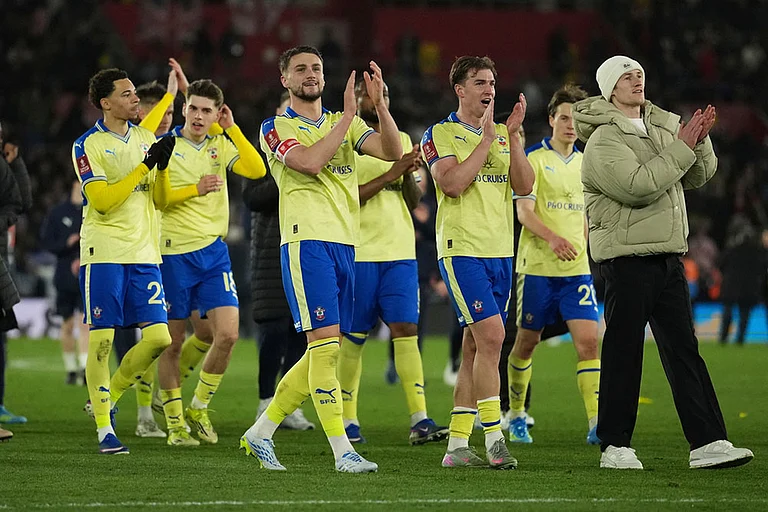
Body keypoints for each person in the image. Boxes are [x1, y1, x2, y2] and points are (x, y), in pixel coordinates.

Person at [573, 55, 753, 469]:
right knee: (624, 352)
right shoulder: (603, 140)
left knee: (685, 351)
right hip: (626, 260)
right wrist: (682, 145)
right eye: (627, 76)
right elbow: (638, 187)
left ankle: (707, 441)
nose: (637, 79)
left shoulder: (657, 128)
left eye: (640, 73)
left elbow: (698, 174)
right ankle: (614, 446)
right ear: (610, 89)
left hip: (668, 257)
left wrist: (699, 138)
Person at [241, 45, 403, 473]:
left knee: (320, 352)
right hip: (306, 243)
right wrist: (350, 116)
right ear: (285, 80)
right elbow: (310, 163)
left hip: (347, 246)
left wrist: (380, 106)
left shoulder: (340, 122)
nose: (310, 74)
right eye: (301, 69)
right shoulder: (274, 127)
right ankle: (342, 451)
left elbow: (393, 150)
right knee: (326, 349)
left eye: (316, 67)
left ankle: (260, 433)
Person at [421, 55, 534, 469]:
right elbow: (450, 184)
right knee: (492, 337)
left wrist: (514, 137)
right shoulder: (439, 133)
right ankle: (494, 438)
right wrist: (486, 140)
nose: (489, 89)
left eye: (492, 82)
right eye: (480, 82)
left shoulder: (504, 134)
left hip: (500, 250)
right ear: (460, 89)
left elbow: (524, 186)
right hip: (461, 247)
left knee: (474, 347)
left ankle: (455, 445)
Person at [335, 80, 448, 446]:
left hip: (400, 254)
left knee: (406, 332)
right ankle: (347, 420)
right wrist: (391, 171)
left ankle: (420, 418)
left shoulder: (397, 137)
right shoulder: (346, 141)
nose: (377, 100)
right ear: (357, 100)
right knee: (353, 337)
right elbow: (348, 197)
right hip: (361, 253)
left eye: (383, 95)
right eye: (371, 95)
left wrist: (410, 173)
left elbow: (415, 198)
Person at [155, 78, 267, 447]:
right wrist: (196, 189)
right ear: (184, 109)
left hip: (213, 253)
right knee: (171, 344)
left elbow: (256, 170)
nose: (199, 116)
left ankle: (199, 407)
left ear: (217, 113)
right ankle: (174, 425)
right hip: (173, 253)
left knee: (228, 335)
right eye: (193, 109)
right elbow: (159, 199)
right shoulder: (167, 144)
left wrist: (232, 128)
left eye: (207, 110)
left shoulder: (221, 143)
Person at [75, 68, 176, 454]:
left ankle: (108, 396)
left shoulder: (146, 138)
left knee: (158, 338)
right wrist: (147, 165)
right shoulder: (88, 145)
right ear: (106, 103)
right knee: (102, 342)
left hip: (145, 255)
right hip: (104, 253)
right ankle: (105, 431)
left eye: (136, 93)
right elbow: (101, 202)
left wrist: (162, 169)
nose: (136, 99)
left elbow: (161, 201)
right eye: (128, 94)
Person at [506, 84, 600, 446]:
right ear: (551, 120)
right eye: (564, 117)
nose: (570, 124)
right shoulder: (533, 160)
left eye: (576, 119)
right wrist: (554, 238)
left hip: (576, 271)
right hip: (537, 269)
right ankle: (515, 414)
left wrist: (590, 247)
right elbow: (524, 213)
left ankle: (595, 423)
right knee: (527, 343)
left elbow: (589, 216)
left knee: (589, 344)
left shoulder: (588, 163)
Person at [243, 91, 315, 431]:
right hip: (271, 255)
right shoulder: (261, 160)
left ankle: (291, 406)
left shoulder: (313, 151)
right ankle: (264, 401)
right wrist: (286, 169)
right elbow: (253, 199)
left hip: (306, 248)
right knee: (273, 333)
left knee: (299, 335)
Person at [41, 179, 89, 386]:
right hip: (63, 276)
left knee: (85, 323)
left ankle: (85, 368)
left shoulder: (92, 210)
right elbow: (47, 242)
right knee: (67, 323)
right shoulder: (58, 213)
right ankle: (71, 369)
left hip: (87, 273)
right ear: (72, 186)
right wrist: (66, 243)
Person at [0, 122, 30, 426]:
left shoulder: (3, 168)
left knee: (1, 339)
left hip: (1, 261)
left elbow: (22, 202)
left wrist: (16, 163)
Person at [718, 221, 766, 345]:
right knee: (745, 314)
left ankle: (723, 337)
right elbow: (762, 268)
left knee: (728, 311)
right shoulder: (758, 252)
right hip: (749, 287)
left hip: (731, 285)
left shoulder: (732, 249)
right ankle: (740, 339)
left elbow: (721, 264)